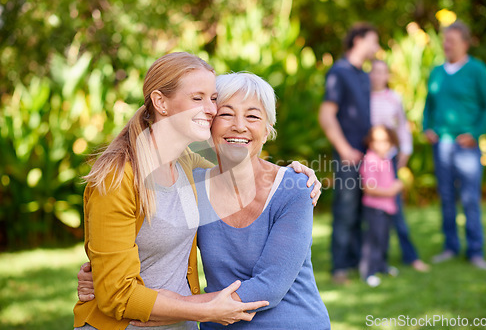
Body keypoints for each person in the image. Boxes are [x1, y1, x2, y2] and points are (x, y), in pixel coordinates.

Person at [78, 72, 331, 329]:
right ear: (210, 124)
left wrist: (180, 308)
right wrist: (101, 277)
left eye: (253, 116)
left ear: (267, 131)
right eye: (226, 114)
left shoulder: (296, 187)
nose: (239, 126)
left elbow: (271, 286)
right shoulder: (192, 182)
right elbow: (153, 242)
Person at [423, 20, 486, 270]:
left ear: (465, 43)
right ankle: (450, 246)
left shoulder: (476, 70)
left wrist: (475, 132)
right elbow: (428, 105)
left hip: (466, 146)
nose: (446, 45)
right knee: (446, 198)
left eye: (451, 41)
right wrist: (427, 127)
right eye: (444, 40)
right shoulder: (437, 71)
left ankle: (475, 250)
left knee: (469, 198)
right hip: (441, 145)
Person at [319, 23, 380, 284]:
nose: (377, 47)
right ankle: (339, 268)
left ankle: (357, 261)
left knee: (360, 211)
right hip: (348, 155)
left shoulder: (364, 75)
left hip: (368, 156)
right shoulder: (339, 72)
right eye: (374, 41)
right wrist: (345, 149)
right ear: (358, 40)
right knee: (345, 208)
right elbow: (326, 114)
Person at [369, 59, 429, 272]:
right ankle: (369, 260)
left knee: (396, 209)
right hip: (369, 160)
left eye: (382, 72)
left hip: (390, 159)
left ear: (388, 76)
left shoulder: (394, 98)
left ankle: (410, 256)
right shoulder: (363, 98)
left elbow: (402, 126)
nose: (377, 76)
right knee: (370, 210)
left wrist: (405, 151)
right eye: (373, 72)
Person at [359, 125, 403, 287]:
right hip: (374, 208)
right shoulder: (370, 160)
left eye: (385, 141)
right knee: (373, 241)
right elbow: (368, 188)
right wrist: (392, 190)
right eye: (376, 141)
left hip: (387, 208)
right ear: (370, 142)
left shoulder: (387, 160)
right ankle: (368, 272)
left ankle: (382, 266)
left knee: (384, 238)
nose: (381, 145)